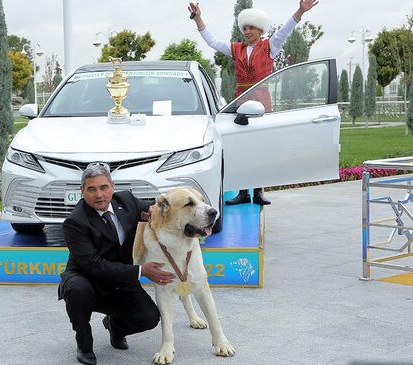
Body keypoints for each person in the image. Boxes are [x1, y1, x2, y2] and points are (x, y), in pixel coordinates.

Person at [188, 0, 319, 206]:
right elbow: (212, 41)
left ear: (260, 30)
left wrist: (300, 11)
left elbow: (285, 29)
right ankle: (243, 192)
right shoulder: (236, 48)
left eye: (251, 28)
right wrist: (198, 19)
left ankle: (258, 191)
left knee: (261, 145)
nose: (247, 32)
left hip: (262, 100)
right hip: (241, 98)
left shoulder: (270, 45)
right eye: (245, 28)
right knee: (240, 143)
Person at [58, 163, 175, 365]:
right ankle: (84, 345)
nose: (99, 195)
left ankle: (115, 326)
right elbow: (94, 265)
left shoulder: (126, 200)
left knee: (149, 317)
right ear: (82, 191)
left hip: (121, 281)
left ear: (112, 186)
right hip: (87, 280)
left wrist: (167, 207)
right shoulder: (74, 222)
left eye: (104, 187)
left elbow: (153, 207)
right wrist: (141, 271)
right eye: (91, 189)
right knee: (78, 290)